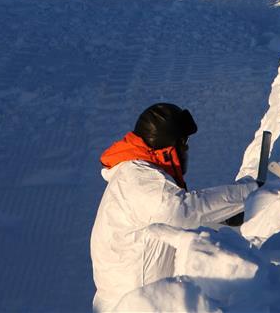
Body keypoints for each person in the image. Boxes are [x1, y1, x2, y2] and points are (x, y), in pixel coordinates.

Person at [90, 103, 260, 312]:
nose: (187, 150)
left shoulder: (134, 174)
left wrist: (223, 218)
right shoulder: (138, 178)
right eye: (184, 143)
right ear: (169, 148)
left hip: (133, 300)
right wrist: (250, 192)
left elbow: (175, 216)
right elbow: (181, 211)